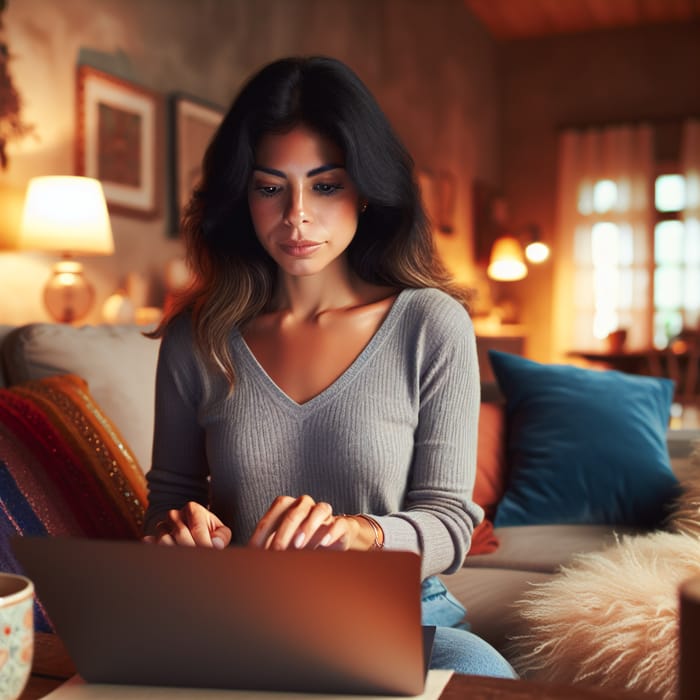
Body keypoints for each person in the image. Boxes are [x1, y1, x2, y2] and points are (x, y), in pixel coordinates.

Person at [143, 55, 515, 679]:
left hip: (401, 616)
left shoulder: (430, 323)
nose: (296, 216)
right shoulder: (196, 336)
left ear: (365, 190)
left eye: (325, 184)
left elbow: (450, 525)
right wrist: (178, 536)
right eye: (269, 187)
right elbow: (168, 502)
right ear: (243, 196)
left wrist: (362, 535)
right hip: (240, 616)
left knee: (487, 679)